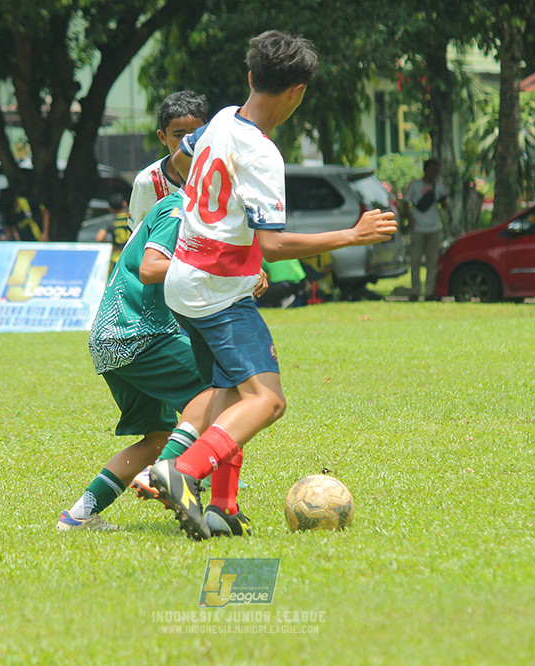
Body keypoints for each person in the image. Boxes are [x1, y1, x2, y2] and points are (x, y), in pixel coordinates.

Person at [150, 30, 398, 541]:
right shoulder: (263, 156)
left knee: (230, 393)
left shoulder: (219, 120)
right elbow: (276, 246)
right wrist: (352, 235)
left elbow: (181, 160)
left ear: (250, 77)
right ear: (297, 92)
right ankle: (183, 470)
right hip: (216, 291)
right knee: (268, 400)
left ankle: (222, 506)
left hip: (183, 280)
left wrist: (200, 217)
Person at [56, 191, 244, 534]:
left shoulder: (185, 211)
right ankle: (181, 475)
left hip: (112, 339)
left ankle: (78, 515)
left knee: (158, 438)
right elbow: (151, 268)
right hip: (138, 334)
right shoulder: (178, 209)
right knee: (222, 386)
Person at [128, 91, 209, 230]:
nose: (187, 141)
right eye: (178, 135)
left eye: (195, 133)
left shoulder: (220, 172)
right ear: (163, 137)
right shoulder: (147, 183)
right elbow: (137, 239)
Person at [403, 159, 449, 302]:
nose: (433, 173)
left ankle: (430, 292)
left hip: (434, 228)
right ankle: (415, 291)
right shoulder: (415, 186)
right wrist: (410, 218)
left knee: (432, 263)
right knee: (415, 261)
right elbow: (406, 202)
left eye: (435, 171)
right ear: (425, 170)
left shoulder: (439, 187)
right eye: (431, 170)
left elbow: (444, 203)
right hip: (418, 228)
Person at [95, 193, 132, 271]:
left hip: (117, 256)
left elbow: (99, 238)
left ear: (110, 208)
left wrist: (113, 245)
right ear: (125, 204)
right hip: (132, 254)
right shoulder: (131, 217)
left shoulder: (110, 220)